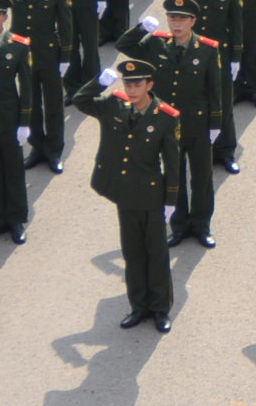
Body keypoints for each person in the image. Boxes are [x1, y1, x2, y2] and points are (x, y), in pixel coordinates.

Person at [68, 56, 185, 331]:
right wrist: (99, 83)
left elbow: (173, 164)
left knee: (156, 254)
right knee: (132, 252)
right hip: (123, 193)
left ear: (149, 85)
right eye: (127, 84)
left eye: (137, 84)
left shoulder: (166, 118)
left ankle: (160, 308)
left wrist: (170, 201)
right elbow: (81, 101)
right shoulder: (113, 106)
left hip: (151, 195)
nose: (131, 90)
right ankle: (138, 306)